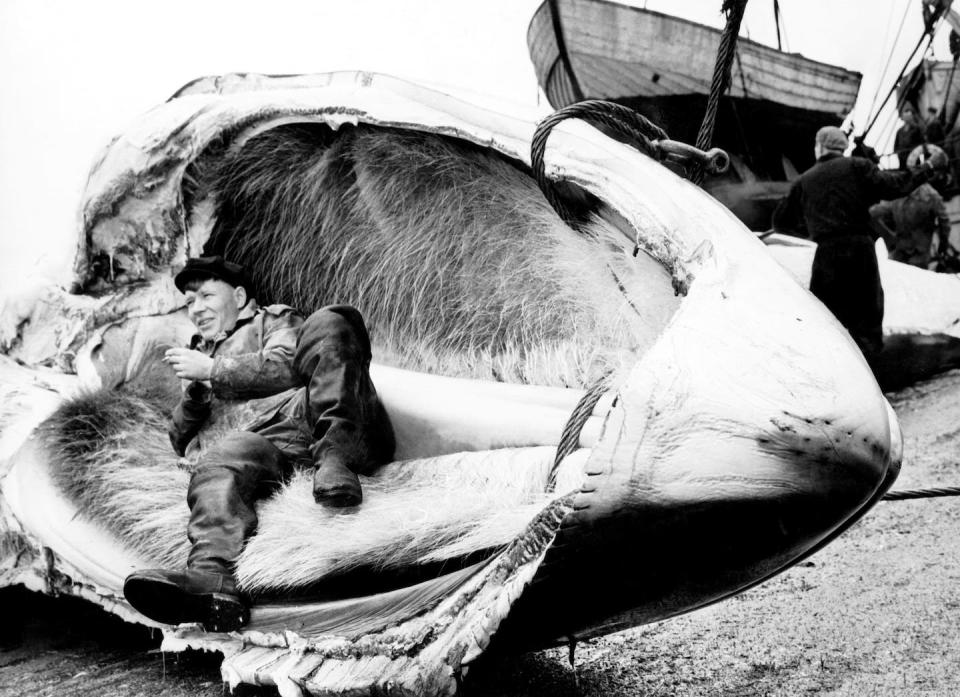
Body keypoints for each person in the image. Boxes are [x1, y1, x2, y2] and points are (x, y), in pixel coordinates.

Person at [123, 255, 395, 632]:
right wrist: (195, 397)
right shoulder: (200, 349)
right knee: (223, 459)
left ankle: (336, 458)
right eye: (189, 302)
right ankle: (211, 578)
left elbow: (290, 365)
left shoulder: (271, 321)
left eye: (205, 296)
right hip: (265, 445)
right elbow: (177, 436)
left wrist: (214, 371)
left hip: (316, 419)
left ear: (237, 295)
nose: (196, 308)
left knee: (332, 320)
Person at [772, 126, 948, 362]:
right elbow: (897, 185)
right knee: (867, 323)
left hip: (827, 255)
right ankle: (873, 377)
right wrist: (928, 167)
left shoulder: (804, 181)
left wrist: (813, 229)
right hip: (860, 251)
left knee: (826, 320)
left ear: (820, 147)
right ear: (841, 147)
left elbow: (780, 221)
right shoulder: (857, 167)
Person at [871, 145, 952, 269]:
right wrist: (943, 245)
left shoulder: (897, 195)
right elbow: (944, 222)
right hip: (920, 252)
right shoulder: (932, 195)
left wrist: (889, 240)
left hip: (899, 253)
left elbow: (874, 213)